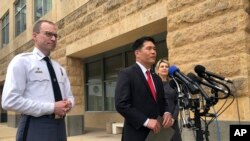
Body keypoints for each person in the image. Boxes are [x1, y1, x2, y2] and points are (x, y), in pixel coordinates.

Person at [1, 20, 74, 141]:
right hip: (35, 125)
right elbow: (9, 100)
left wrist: (69, 103)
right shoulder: (22, 62)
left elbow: (70, 96)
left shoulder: (59, 68)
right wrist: (51, 107)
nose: (53, 38)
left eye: (55, 35)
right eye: (48, 34)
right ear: (34, 36)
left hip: (60, 126)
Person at [115, 36, 173, 141]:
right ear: (137, 53)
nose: (153, 52)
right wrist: (146, 121)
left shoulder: (156, 78)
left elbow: (163, 102)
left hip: (158, 134)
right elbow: (121, 105)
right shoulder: (127, 74)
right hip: (136, 134)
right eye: (149, 48)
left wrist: (167, 112)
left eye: (154, 49)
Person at [155, 59, 182, 141]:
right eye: (162, 66)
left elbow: (178, 102)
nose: (164, 68)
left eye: (167, 67)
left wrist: (173, 118)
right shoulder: (154, 84)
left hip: (173, 120)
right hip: (159, 120)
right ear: (158, 69)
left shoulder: (173, 84)